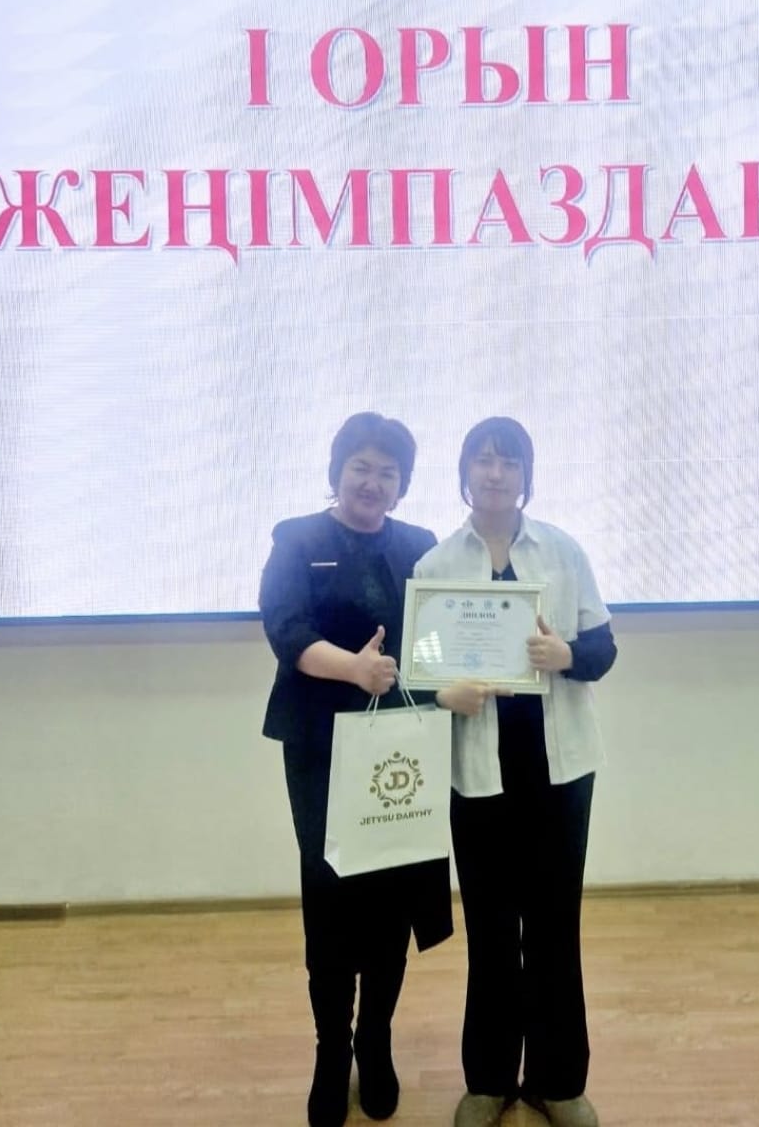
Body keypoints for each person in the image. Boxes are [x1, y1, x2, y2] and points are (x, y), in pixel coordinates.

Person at [413, 417, 618, 1127]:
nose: (496, 473)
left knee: (556, 926)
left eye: (509, 461)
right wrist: (444, 692)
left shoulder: (562, 551)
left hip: (560, 771)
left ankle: (559, 1082)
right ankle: (490, 1080)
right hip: (478, 775)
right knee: (492, 930)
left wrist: (568, 656)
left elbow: (602, 649)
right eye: (483, 460)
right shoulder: (437, 565)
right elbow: (420, 672)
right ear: (464, 473)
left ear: (527, 475)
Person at [259, 411, 458, 1127]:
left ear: (402, 484)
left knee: (391, 900)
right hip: (320, 746)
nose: (372, 482)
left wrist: (453, 679)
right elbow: (286, 630)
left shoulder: (420, 546)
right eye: (361, 468)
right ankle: (330, 1050)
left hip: (402, 744)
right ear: (337, 471)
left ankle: (376, 1040)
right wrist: (354, 668)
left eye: (388, 472)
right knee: (331, 896)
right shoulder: (298, 539)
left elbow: (439, 635)